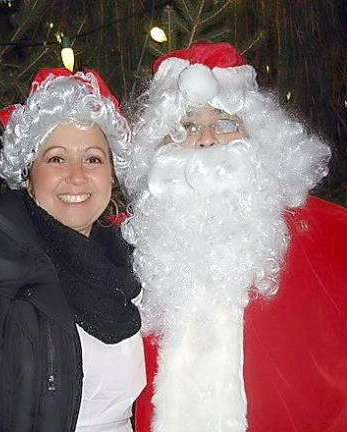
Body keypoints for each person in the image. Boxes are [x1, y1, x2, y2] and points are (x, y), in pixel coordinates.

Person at [116, 41, 347, 431]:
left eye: (224, 123)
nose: (206, 139)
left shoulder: (333, 235)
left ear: (259, 138)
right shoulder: (129, 243)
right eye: (186, 127)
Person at [0, 67, 146, 432]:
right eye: (56, 158)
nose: (77, 175)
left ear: (112, 174)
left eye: (92, 158)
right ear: (28, 174)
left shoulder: (132, 262)